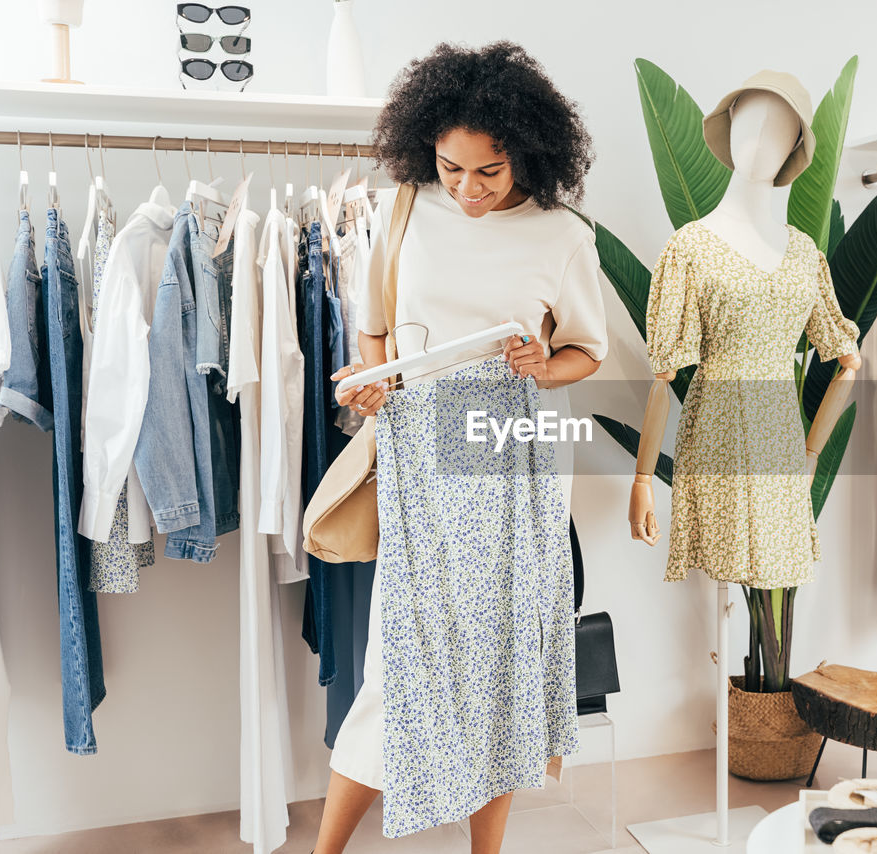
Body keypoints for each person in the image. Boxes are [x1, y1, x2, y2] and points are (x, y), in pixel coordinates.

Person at [315, 41, 607, 854]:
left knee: (505, 665)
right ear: (426, 153)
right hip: (421, 459)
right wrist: (377, 387)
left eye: (490, 170)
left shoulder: (562, 236)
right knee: (400, 670)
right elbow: (373, 330)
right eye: (452, 168)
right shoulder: (406, 208)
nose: (468, 189)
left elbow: (587, 353)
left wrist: (544, 367)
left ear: (527, 152)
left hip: (514, 461)